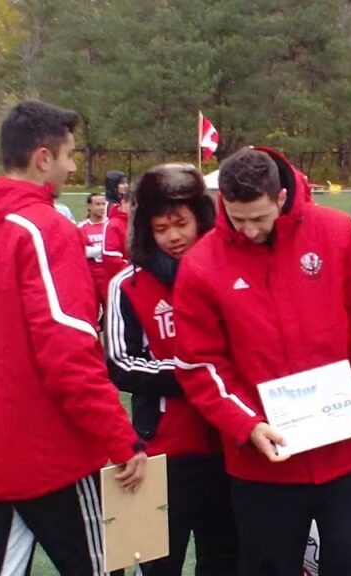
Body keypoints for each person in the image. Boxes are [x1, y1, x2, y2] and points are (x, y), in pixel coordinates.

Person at [0, 100, 147, 575]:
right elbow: (68, 351)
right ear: (43, 158)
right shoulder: (44, 227)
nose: (72, 167)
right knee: (105, 565)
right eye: (69, 156)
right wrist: (120, 438)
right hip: (54, 452)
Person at [174, 147, 351, 576]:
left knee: (350, 565)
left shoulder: (336, 233)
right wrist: (247, 424)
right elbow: (201, 365)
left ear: (280, 198)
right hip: (263, 464)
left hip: (345, 453)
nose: (250, 230)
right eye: (237, 219)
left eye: (258, 218)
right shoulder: (203, 265)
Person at [106, 164, 236, 576]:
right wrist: (198, 374)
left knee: (224, 562)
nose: (174, 236)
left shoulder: (229, 274)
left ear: (202, 217)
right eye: (162, 229)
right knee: (154, 566)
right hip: (157, 453)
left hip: (227, 450)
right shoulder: (127, 285)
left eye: (181, 223)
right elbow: (121, 364)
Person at [79, 192, 112, 307]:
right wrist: (97, 251)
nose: (102, 207)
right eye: (97, 204)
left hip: (109, 277)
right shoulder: (81, 228)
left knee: (111, 310)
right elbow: (78, 251)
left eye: (103, 204)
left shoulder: (112, 225)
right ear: (89, 206)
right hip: (90, 278)